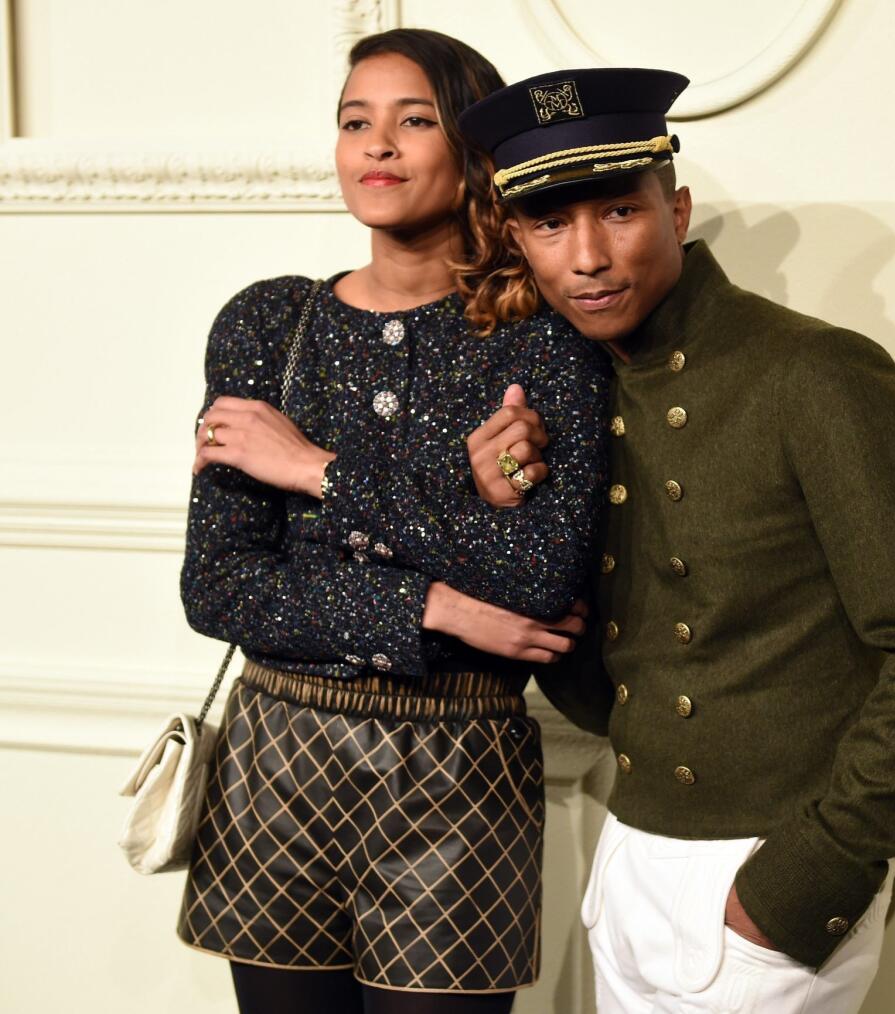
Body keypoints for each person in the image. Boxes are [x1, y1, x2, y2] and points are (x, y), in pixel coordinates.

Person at [456, 69, 895, 1012]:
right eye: (551, 226)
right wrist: (509, 516)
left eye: (619, 212)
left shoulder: (812, 372)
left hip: (769, 872)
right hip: (627, 853)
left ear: (677, 210)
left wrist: (810, 876)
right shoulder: (560, 399)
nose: (587, 256)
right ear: (517, 237)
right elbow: (595, 675)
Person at [176, 31, 609, 1014]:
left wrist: (310, 468)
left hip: (458, 771)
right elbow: (222, 586)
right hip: (275, 763)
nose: (378, 145)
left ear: (468, 151)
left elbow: (536, 585)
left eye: (414, 120)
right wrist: (444, 604)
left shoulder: (540, 339)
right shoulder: (265, 324)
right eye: (353, 121)